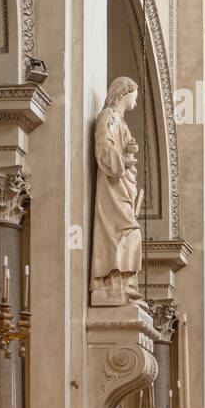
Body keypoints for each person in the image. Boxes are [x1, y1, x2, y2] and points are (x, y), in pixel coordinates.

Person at [90, 77, 143, 306]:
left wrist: (129, 154)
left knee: (128, 233)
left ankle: (123, 283)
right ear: (125, 92)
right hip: (113, 186)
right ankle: (111, 281)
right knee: (129, 233)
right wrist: (124, 162)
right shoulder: (108, 117)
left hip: (123, 186)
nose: (137, 102)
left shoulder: (120, 122)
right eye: (135, 95)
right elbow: (104, 148)